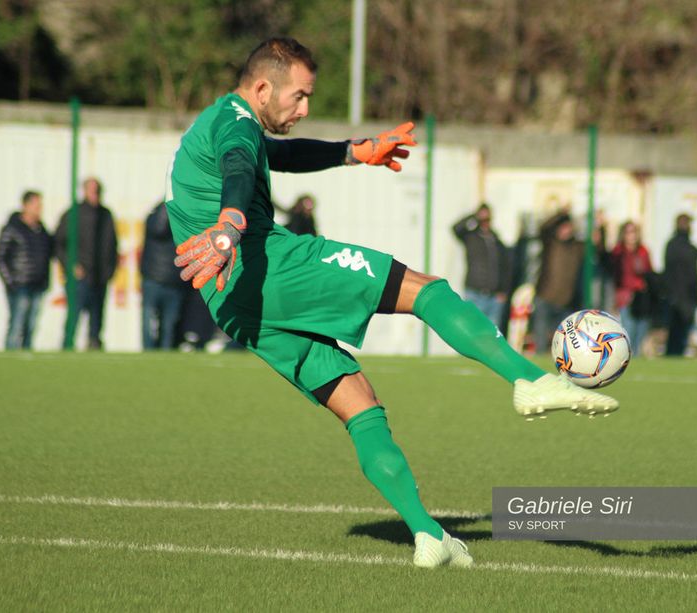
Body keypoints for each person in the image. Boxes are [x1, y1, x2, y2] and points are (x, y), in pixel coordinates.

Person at [165, 37, 617, 569]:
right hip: (269, 266)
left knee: (361, 408)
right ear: (263, 87)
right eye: (300, 96)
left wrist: (354, 152)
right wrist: (232, 225)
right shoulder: (238, 123)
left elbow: (273, 155)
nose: (305, 108)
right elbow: (242, 166)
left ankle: (429, 537)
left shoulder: (223, 119)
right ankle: (529, 380)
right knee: (426, 290)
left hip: (234, 303)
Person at [54, 177, 119, 350]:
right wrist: (71, 265)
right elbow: (59, 244)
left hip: (100, 276)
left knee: (97, 319)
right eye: (91, 190)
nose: (95, 194)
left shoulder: (106, 215)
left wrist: (109, 270)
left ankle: (94, 345)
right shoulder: (73, 214)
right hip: (79, 277)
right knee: (74, 316)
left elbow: (113, 245)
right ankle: (67, 346)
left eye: (97, 190)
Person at [0, 190, 53, 350]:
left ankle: (26, 355)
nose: (39, 209)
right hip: (19, 285)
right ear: (25, 205)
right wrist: (11, 282)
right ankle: (10, 357)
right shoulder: (12, 228)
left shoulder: (42, 231)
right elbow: (0, 259)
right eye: (36, 205)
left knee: (31, 325)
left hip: (38, 284)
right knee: (17, 324)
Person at [532, 210, 583, 352]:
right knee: (541, 338)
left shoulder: (577, 247)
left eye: (568, 227)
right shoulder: (550, 243)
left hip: (566, 301)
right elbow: (544, 228)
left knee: (563, 343)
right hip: (545, 297)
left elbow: (598, 248)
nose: (565, 231)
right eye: (562, 227)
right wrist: (561, 214)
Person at [451, 203, 511, 326]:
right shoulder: (471, 237)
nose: (485, 222)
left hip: (495, 297)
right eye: (482, 219)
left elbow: (505, 267)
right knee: (473, 329)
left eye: (487, 219)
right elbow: (456, 228)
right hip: (475, 293)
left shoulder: (496, 241)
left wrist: (504, 291)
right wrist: (474, 216)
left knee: (492, 335)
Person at [663, 213, 697, 356]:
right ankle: (672, 354)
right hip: (679, 296)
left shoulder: (686, 245)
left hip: (689, 296)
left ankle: (677, 354)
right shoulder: (675, 244)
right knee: (677, 330)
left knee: (684, 331)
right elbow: (691, 255)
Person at [141, 201, 187, 350]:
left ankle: (165, 353)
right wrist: (169, 207)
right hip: (155, 278)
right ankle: (149, 351)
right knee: (150, 322)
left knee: (169, 324)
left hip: (173, 279)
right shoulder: (163, 211)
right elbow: (158, 229)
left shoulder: (179, 214)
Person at [610, 221, 653, 356]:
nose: (632, 236)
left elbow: (648, 271)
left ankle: (637, 355)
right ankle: (627, 356)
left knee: (641, 329)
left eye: (634, 232)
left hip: (641, 295)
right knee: (628, 328)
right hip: (625, 296)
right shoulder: (618, 251)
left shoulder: (642, 251)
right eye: (629, 233)